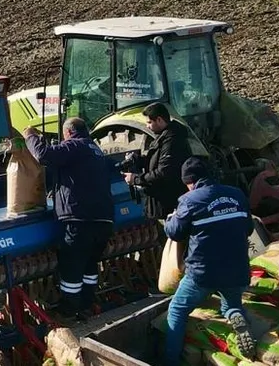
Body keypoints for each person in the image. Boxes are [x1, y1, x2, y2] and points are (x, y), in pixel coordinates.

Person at [163, 158, 255, 366]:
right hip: (237, 270)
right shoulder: (236, 194)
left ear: (190, 181)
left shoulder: (190, 200)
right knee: (230, 303)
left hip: (203, 273)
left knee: (177, 309)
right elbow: (248, 229)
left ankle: (170, 361)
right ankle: (234, 314)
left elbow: (175, 233)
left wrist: (171, 219)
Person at [24, 117, 115, 320]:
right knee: (90, 266)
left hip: (79, 220)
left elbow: (43, 155)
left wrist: (31, 136)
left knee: (72, 265)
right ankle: (87, 304)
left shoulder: (74, 146)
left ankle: (69, 309)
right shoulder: (95, 149)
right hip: (104, 220)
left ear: (68, 132)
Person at [124, 102, 191, 222]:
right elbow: (159, 162)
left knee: (174, 237)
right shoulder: (165, 137)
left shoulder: (172, 140)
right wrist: (140, 160)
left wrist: (136, 179)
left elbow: (164, 171)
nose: (147, 126)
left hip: (170, 201)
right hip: (166, 201)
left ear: (159, 119)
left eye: (149, 122)